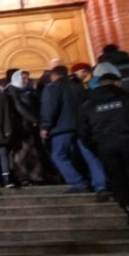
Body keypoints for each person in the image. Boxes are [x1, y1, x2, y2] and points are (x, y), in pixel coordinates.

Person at [78, 62, 129, 224]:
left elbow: (83, 132)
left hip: (105, 146)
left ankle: (128, 208)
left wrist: (96, 147)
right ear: (116, 81)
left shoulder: (88, 105)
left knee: (117, 177)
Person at [40, 64, 108, 198]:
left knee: (59, 155)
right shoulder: (79, 87)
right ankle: (101, 185)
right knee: (90, 155)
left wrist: (45, 126)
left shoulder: (52, 88)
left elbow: (49, 108)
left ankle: (78, 183)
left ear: (53, 75)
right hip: (81, 127)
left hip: (62, 128)